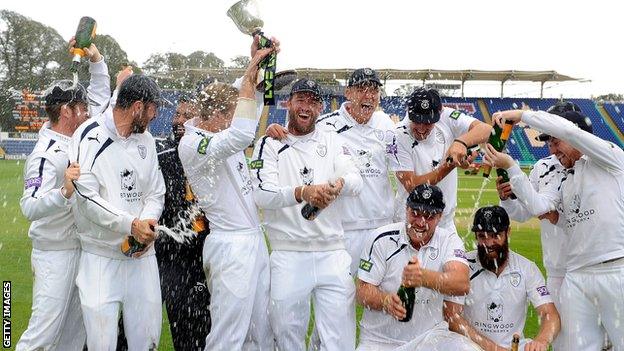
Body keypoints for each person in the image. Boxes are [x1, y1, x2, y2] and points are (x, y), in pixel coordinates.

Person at [485, 108, 624, 350]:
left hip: (615, 267)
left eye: (555, 141)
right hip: (575, 273)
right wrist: (511, 174)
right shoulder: (565, 178)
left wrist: (521, 115)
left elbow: (569, 130)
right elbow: (542, 209)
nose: (551, 150)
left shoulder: (610, 155)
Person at [177, 37, 278, 350]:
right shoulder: (192, 144)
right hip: (231, 245)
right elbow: (243, 132)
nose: (237, 116)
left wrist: (258, 62)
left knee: (259, 329)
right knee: (227, 335)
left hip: (252, 238)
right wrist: (248, 77)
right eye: (231, 112)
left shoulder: (219, 126)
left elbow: (250, 100)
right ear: (217, 115)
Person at [251, 78, 363, 350]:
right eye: (300, 99)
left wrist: (338, 185)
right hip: (289, 254)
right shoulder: (270, 143)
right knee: (287, 335)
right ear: (288, 103)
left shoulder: (333, 140)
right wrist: (303, 192)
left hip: (333, 253)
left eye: (313, 101)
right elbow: (262, 195)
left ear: (320, 107)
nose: (306, 107)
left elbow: (356, 181)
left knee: (339, 341)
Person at [16, 40, 109, 351]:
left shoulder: (77, 134)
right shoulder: (45, 155)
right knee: (42, 337)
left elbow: (99, 98)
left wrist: (96, 60)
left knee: (73, 338)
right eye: (81, 107)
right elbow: (29, 206)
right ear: (68, 111)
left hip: (79, 250)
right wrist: (64, 191)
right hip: (54, 255)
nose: (88, 111)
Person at [266, 68, 397, 278]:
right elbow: (294, 134)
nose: (369, 95)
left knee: (382, 298)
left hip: (382, 224)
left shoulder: (386, 123)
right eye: (361, 89)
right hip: (345, 228)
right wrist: (274, 127)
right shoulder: (326, 124)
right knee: (343, 299)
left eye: (374, 90)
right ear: (348, 93)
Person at [69, 73, 166, 349]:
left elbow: (155, 191)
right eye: (152, 108)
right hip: (100, 258)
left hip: (142, 258)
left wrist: (146, 224)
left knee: (147, 342)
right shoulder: (89, 135)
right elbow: (86, 198)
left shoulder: (146, 140)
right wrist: (129, 224)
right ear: (137, 106)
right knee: (102, 344)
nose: (155, 115)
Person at [495, 101, 581, 350]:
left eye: (555, 141)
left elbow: (545, 210)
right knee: (565, 342)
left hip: (594, 264)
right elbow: (524, 213)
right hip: (557, 269)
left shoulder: (596, 165)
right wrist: (508, 199)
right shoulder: (543, 167)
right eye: (549, 143)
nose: (552, 149)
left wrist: (511, 167)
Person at [356, 184, 476, 351]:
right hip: (380, 341)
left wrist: (423, 277)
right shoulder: (381, 238)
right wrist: (385, 301)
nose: (420, 222)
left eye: (429, 216)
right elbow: (362, 291)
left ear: (440, 216)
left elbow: (461, 284)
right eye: (415, 213)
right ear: (406, 209)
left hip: (430, 338)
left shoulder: (449, 240)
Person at [444, 206, 560, 351]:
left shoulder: (526, 268)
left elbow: (550, 314)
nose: (489, 243)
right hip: (470, 346)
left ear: (508, 232)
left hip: (514, 347)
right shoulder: (463, 266)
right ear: (476, 237)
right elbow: (452, 317)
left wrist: (541, 341)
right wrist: (494, 349)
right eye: (482, 236)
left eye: (496, 235)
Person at [154, 93, 211, 349]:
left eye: (187, 116)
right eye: (177, 114)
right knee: (136, 326)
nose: (179, 120)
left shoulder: (210, 152)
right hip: (161, 255)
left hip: (198, 259)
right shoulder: (159, 153)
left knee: (193, 334)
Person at [392, 88, 491, 233]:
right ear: (409, 111)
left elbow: (487, 130)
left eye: (428, 123)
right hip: (410, 223)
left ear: (440, 112)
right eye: (416, 121)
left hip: (444, 223)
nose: (420, 128)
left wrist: (461, 143)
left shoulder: (448, 116)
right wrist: (450, 165)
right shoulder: (397, 134)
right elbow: (412, 185)